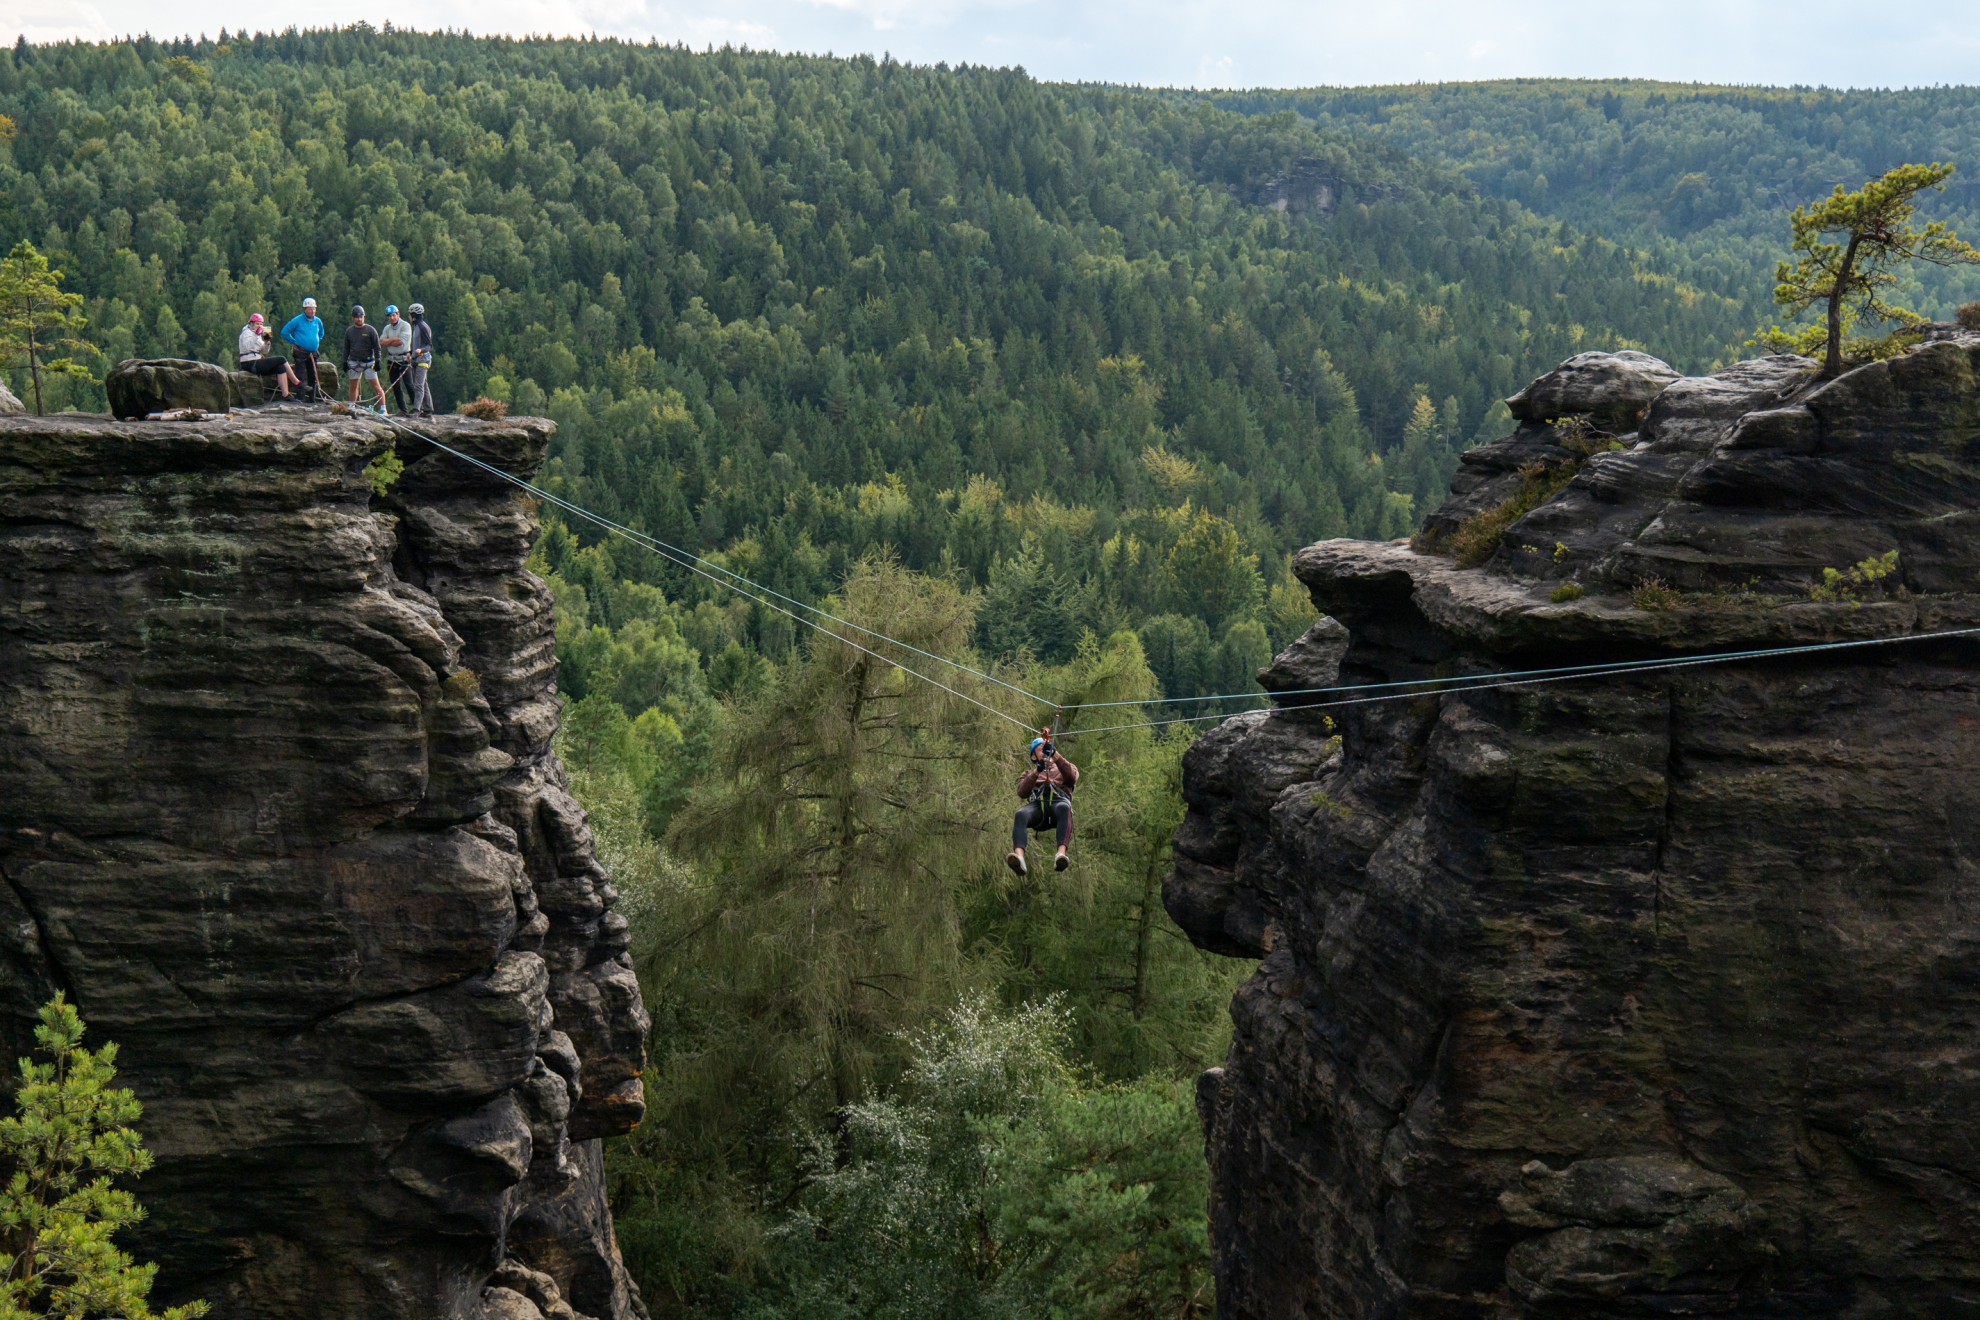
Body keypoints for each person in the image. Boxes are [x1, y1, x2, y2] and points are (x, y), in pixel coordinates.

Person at [1008, 727, 1079, 875]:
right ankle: (1019, 858)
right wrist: (1037, 771)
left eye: (1046, 748)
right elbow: (1022, 792)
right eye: (1041, 749)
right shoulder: (1028, 773)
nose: (1045, 751)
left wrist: (1056, 755)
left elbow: (1072, 778)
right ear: (1034, 757)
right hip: (1038, 806)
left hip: (1058, 803)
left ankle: (1061, 854)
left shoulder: (1065, 767)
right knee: (1020, 814)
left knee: (1064, 807)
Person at [236, 313, 301, 399]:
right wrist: (256, 334)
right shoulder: (246, 333)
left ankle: (285, 395)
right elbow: (248, 346)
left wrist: (266, 342)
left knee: (280, 367)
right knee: (281, 359)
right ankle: (296, 381)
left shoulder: (257, 335)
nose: (259, 326)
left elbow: (264, 351)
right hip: (248, 362)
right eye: (257, 324)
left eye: (261, 324)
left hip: (256, 360)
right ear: (251, 324)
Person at [343, 305, 389, 413]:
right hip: (354, 361)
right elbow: (346, 348)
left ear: (364, 317)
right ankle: (351, 406)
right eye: (356, 317)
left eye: (361, 316)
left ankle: (383, 409)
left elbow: (377, 347)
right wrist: (344, 361)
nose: (359, 319)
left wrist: (377, 361)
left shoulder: (370, 330)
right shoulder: (349, 331)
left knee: (376, 386)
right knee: (353, 385)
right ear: (353, 318)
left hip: (368, 362)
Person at [279, 297, 326, 402]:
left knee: (313, 375)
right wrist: (293, 342)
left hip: (313, 353)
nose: (312, 311)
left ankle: (312, 399)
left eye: (314, 309)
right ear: (305, 309)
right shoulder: (297, 320)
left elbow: (321, 333)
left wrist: (316, 341)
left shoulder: (317, 321)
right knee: (299, 375)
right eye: (310, 309)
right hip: (300, 352)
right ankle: (300, 398)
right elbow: (285, 331)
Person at [378, 305, 416, 413]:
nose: (392, 318)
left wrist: (388, 341)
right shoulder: (387, 328)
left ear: (398, 315)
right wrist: (393, 340)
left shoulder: (405, 326)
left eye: (394, 315)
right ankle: (402, 409)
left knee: (409, 384)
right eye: (389, 316)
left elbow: (401, 341)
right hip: (392, 359)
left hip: (404, 358)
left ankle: (417, 407)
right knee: (395, 385)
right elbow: (381, 342)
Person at [404, 302, 435, 417]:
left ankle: (416, 410)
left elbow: (429, 346)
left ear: (414, 315)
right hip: (417, 360)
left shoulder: (423, 327)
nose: (409, 317)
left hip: (423, 359)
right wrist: (410, 352)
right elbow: (417, 344)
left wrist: (421, 350)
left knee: (418, 385)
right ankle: (428, 409)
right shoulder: (416, 327)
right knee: (423, 384)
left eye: (410, 315)